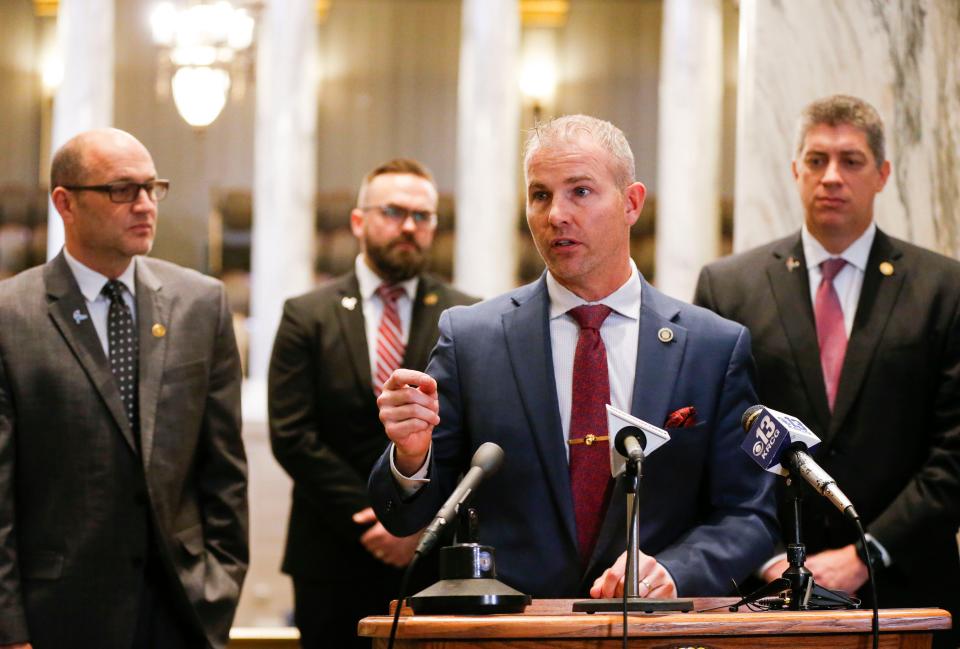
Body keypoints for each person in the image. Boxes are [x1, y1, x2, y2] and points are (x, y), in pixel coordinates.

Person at [370, 115, 778, 600]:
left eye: (580, 192)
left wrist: (675, 571)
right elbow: (405, 517)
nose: (556, 214)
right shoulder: (473, 338)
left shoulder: (711, 346)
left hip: (655, 630)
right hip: (516, 631)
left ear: (631, 203)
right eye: (540, 195)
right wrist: (413, 457)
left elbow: (749, 514)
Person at [694, 95, 960, 647]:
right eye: (816, 160)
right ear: (795, 170)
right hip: (765, 591)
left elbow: (953, 451)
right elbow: (713, 442)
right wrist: (764, 553)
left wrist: (867, 551)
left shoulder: (945, 290)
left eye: (851, 161)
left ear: (883, 174)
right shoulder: (730, 287)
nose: (831, 177)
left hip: (907, 587)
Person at [0, 128, 248, 649]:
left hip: (184, 612)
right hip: (58, 616)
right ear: (65, 203)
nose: (143, 205)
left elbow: (224, 471)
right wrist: (9, 628)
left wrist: (219, 586)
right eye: (121, 190)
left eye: (152, 188)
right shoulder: (9, 316)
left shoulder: (200, 303)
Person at [268, 158, 476, 648]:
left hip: (431, 556)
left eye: (422, 217)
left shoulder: (466, 317)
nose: (409, 226)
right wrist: (378, 516)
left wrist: (416, 522)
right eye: (394, 211)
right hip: (332, 551)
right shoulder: (307, 315)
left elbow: (472, 436)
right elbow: (293, 435)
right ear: (359, 221)